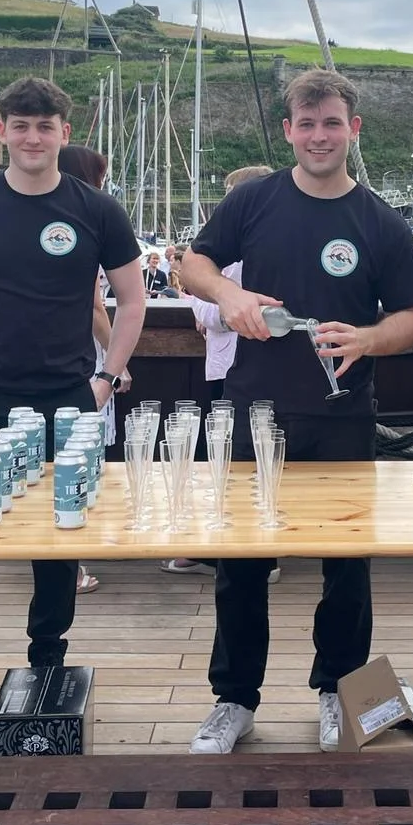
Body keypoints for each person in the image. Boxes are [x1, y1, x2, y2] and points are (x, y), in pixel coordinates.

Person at [180, 68, 413, 754]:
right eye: (306, 124)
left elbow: (412, 317)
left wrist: (373, 337)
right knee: (242, 562)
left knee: (347, 564)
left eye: (331, 123)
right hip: (253, 412)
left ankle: (339, 689)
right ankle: (234, 700)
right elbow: (191, 265)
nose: (319, 136)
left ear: (353, 129)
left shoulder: (380, 222)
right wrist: (228, 298)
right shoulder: (255, 202)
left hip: (344, 415)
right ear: (288, 131)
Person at [0, 77, 146, 731]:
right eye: (20, 125)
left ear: (63, 134)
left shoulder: (96, 211)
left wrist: (106, 378)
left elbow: (132, 301)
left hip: (67, 395)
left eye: (45, 126)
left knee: (56, 542)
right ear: (3, 133)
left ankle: (48, 666)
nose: (32, 137)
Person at [165, 164, 274, 579]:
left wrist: (191, 300)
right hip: (231, 365)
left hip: (234, 369)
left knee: (229, 461)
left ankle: (233, 555)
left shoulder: (243, 252)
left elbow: (228, 313)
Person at [56, 141, 137, 597]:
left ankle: (67, 557)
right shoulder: (89, 221)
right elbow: (95, 306)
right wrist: (116, 364)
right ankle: (72, 561)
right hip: (83, 357)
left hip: (56, 351)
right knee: (79, 455)